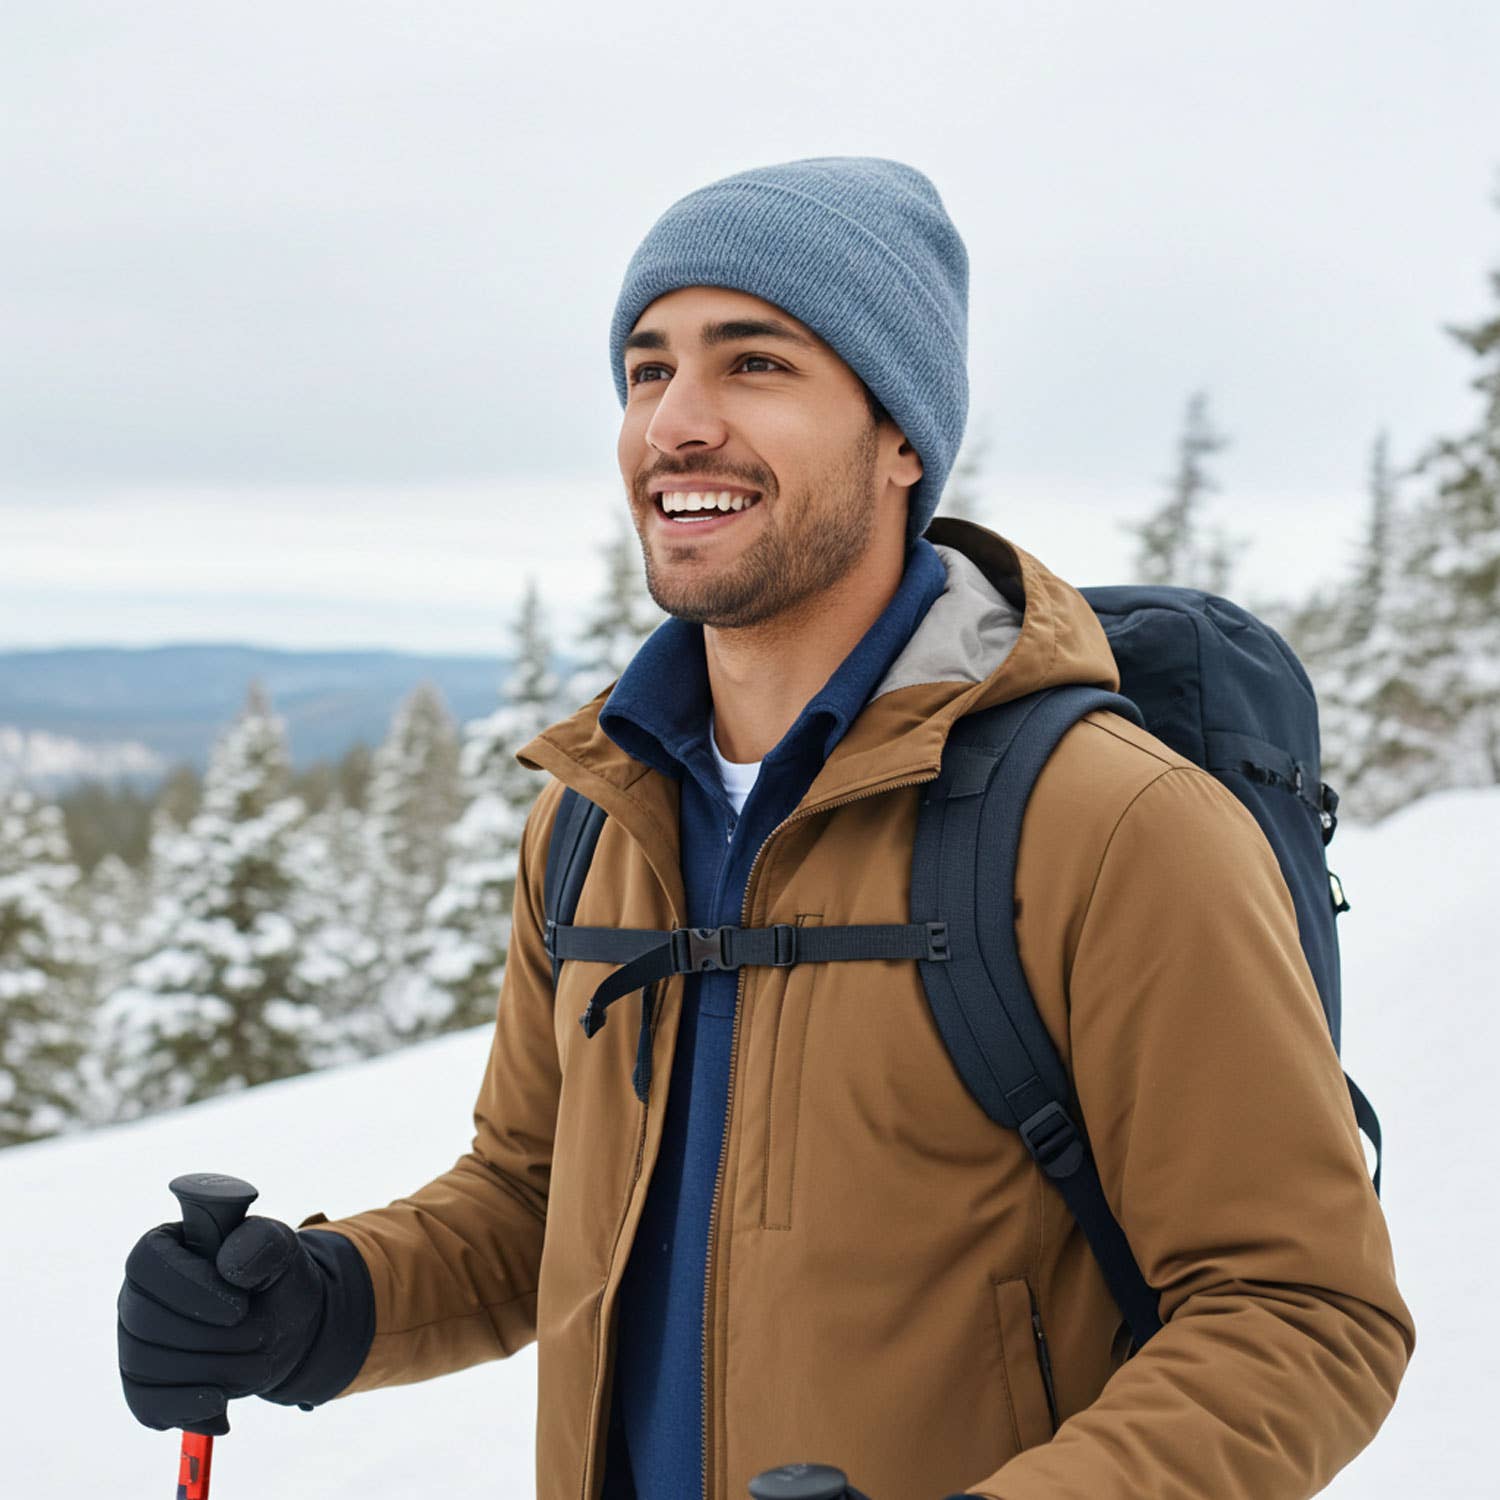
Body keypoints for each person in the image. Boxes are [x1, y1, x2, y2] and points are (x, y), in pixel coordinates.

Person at [117, 156, 1415, 1500]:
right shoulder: (592, 817)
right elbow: (535, 1199)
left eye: (754, 364)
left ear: (899, 434)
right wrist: (323, 1304)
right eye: (646, 368)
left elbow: (1302, 1314)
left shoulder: (1107, 827)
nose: (677, 423)